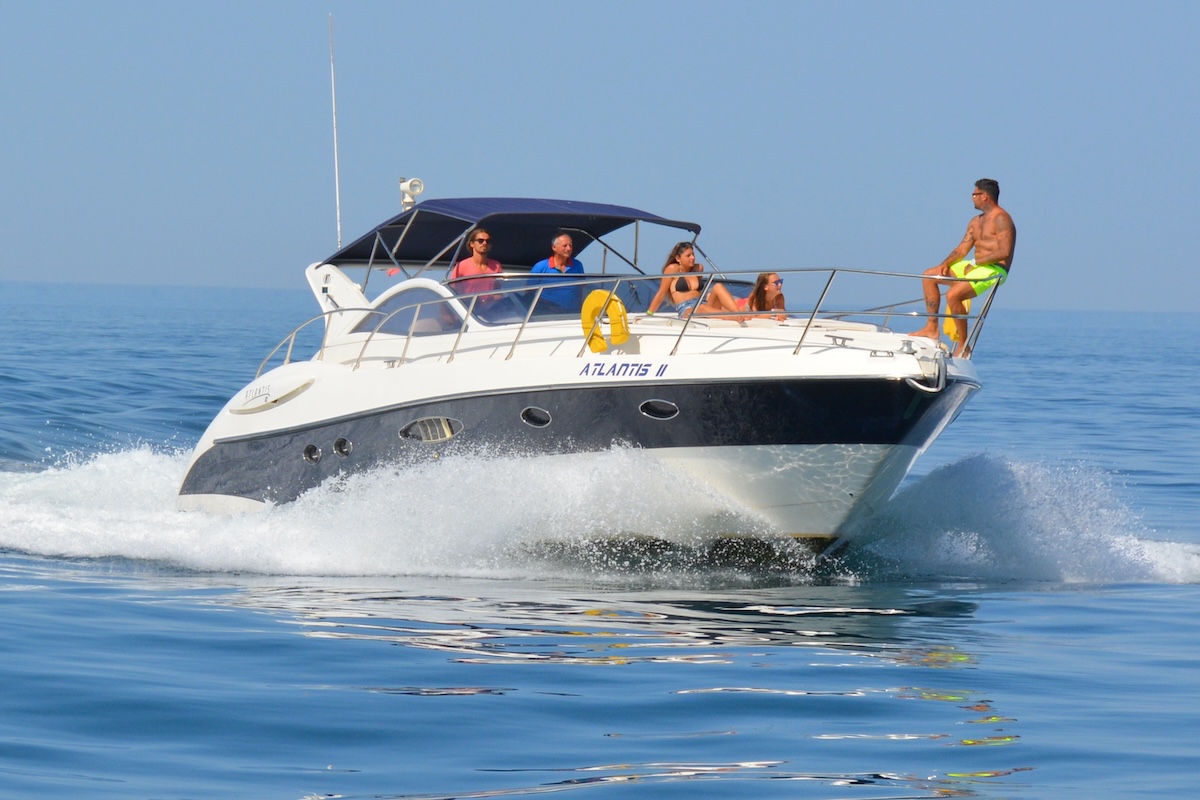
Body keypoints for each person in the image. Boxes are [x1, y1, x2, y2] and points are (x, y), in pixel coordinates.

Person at [910, 179, 1016, 356]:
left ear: (985, 196)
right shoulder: (976, 221)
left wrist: (976, 264)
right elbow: (962, 248)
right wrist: (945, 264)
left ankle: (963, 345)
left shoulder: (1001, 218)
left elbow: (1004, 252)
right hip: (976, 265)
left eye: (975, 194)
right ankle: (932, 328)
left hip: (994, 269)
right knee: (929, 276)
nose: (972, 198)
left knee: (953, 295)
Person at [645, 242, 742, 320]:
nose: (693, 258)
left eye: (693, 254)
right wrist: (649, 314)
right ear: (678, 258)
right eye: (688, 256)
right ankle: (735, 317)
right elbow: (661, 293)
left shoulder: (698, 268)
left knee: (718, 286)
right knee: (701, 308)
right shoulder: (672, 269)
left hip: (702, 304)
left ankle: (739, 314)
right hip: (686, 309)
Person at [530, 233, 584, 312]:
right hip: (547, 313)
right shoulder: (540, 267)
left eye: (570, 245)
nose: (568, 248)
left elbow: (580, 290)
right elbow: (530, 292)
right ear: (554, 247)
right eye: (565, 245)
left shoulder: (578, 265)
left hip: (572, 314)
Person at [448, 228, 503, 303]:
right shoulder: (461, 266)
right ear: (472, 244)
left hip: (490, 310)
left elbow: (498, 292)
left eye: (488, 241)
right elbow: (451, 291)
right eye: (480, 241)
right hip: (468, 308)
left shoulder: (496, 266)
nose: (484, 243)